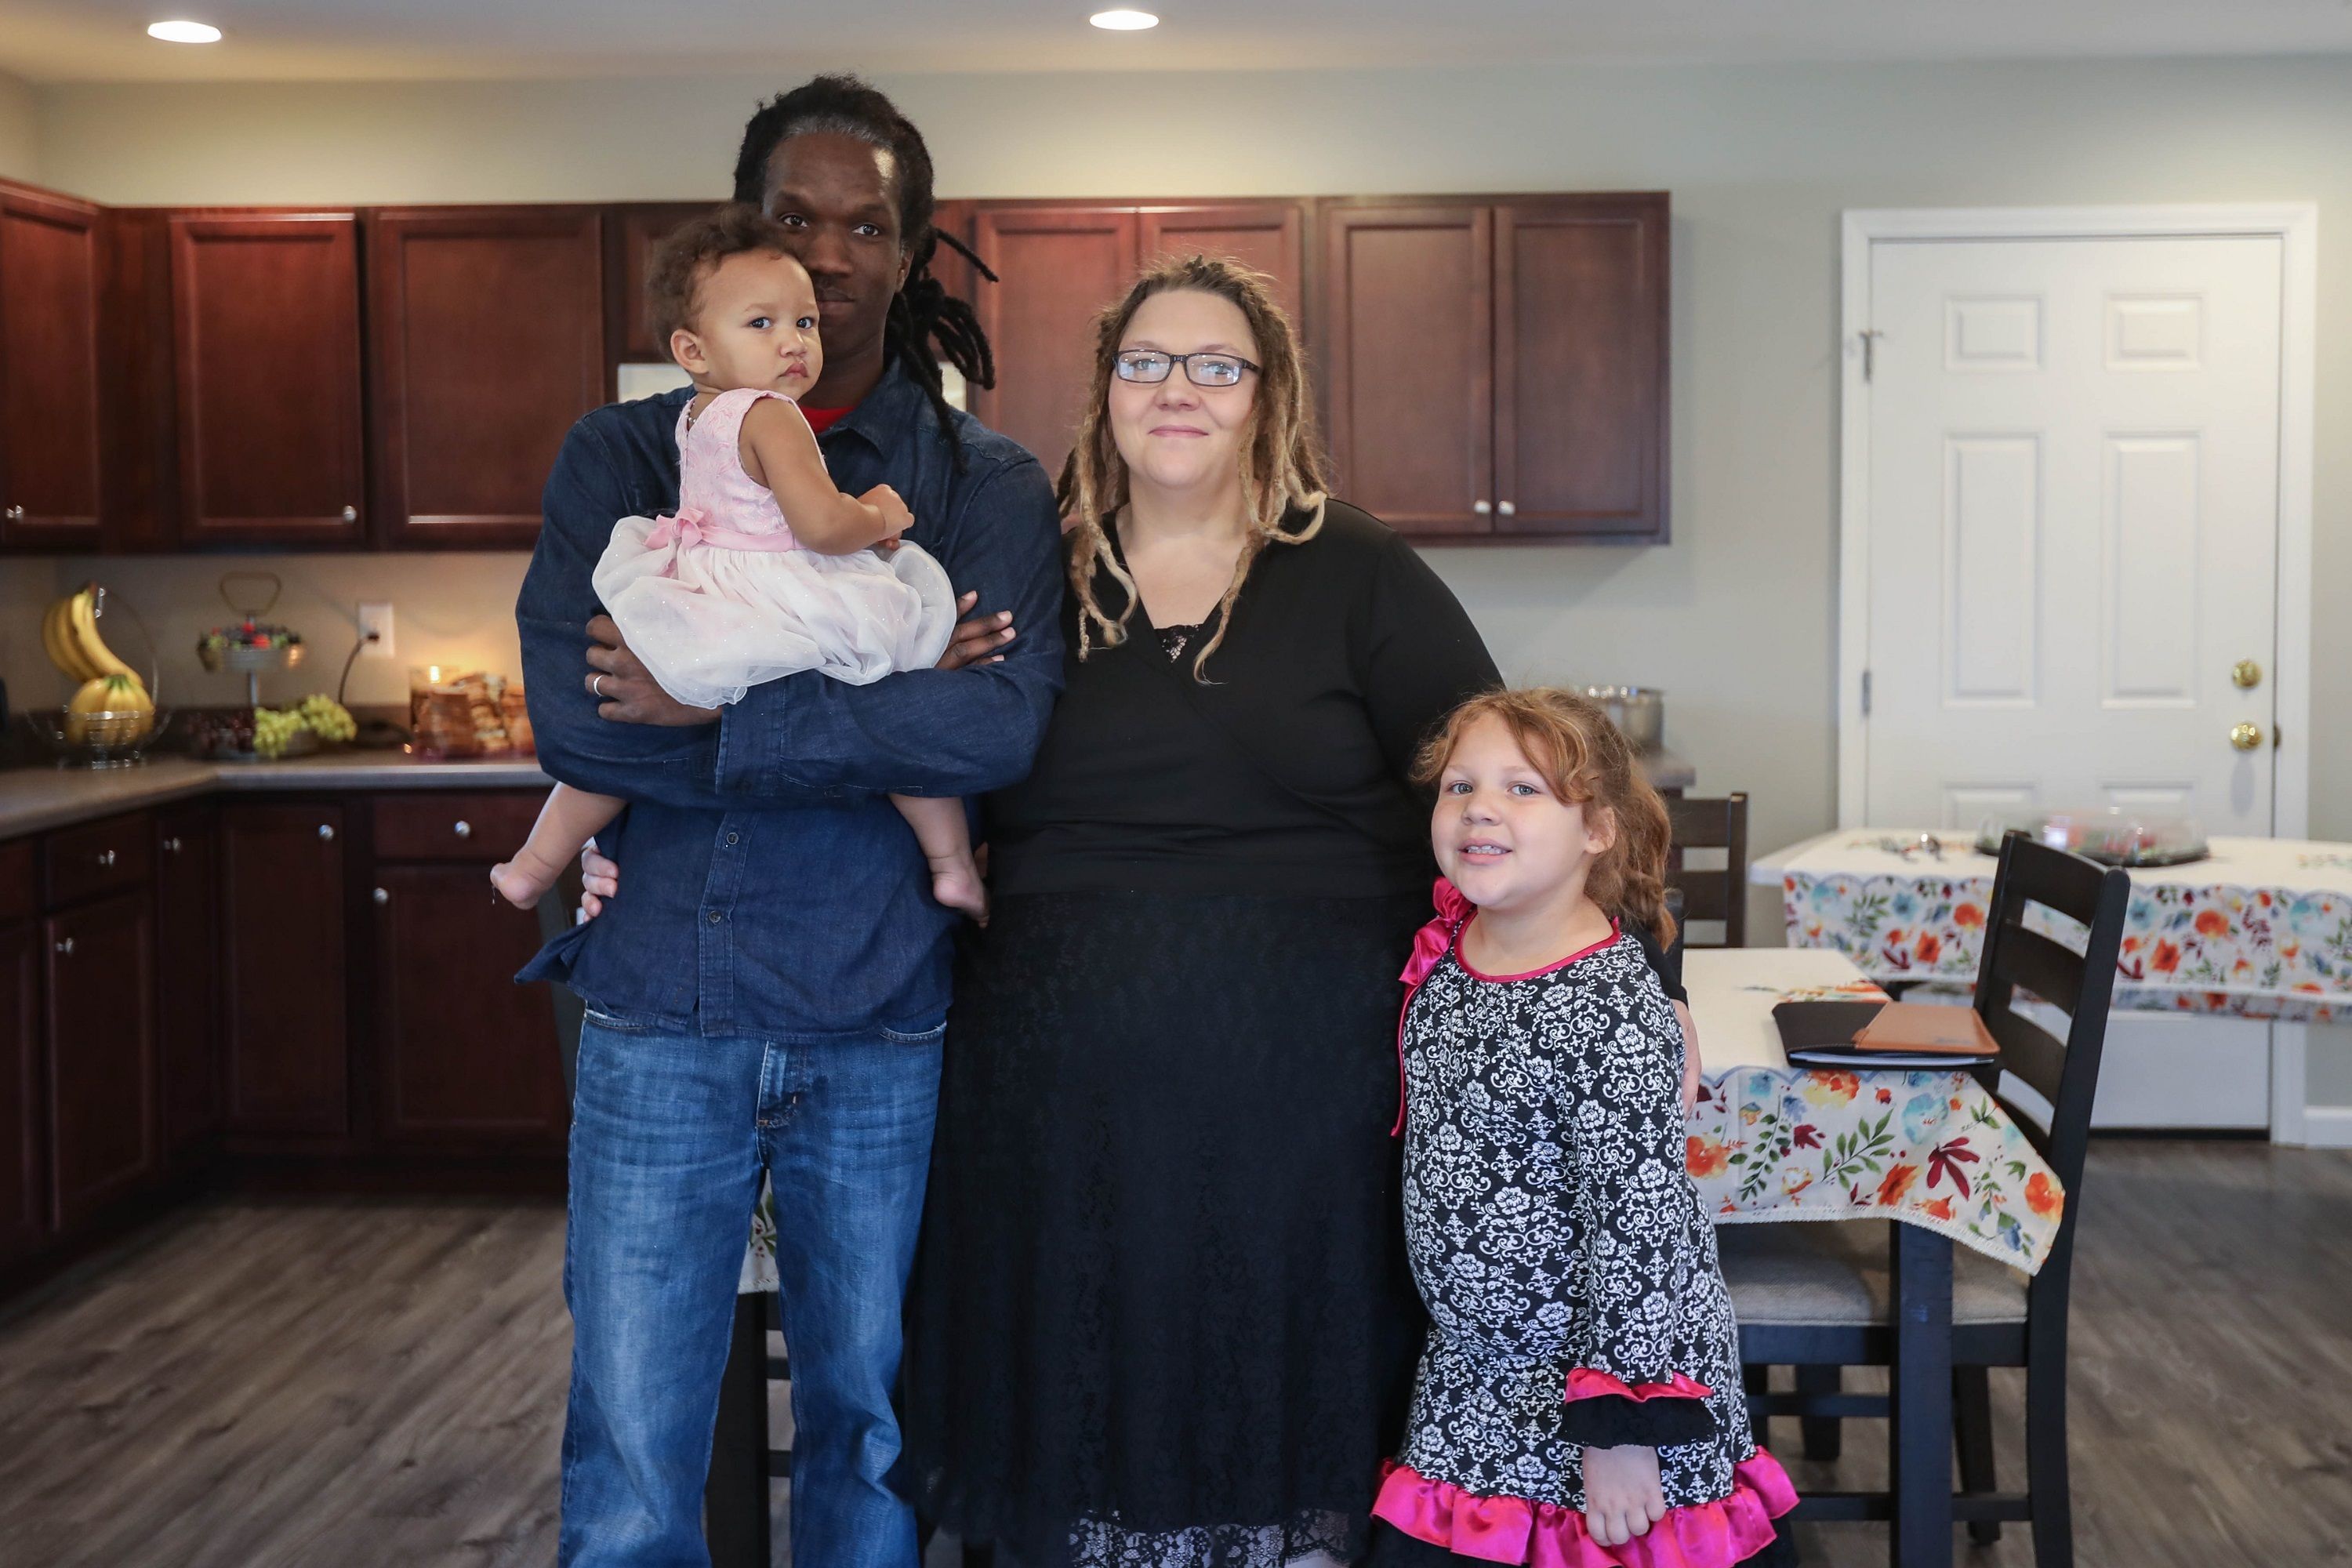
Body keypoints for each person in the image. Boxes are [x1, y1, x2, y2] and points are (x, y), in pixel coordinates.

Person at [887, 256, 1702, 1567]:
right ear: (1105, 391)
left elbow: (1524, 784)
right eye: (1146, 361)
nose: (1179, 390)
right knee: (1082, 1349)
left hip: (1309, 1096)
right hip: (1055, 1086)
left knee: (1272, 1350)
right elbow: (909, 743)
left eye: (1218, 365)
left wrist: (1650, 990)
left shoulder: (1356, 570)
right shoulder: (1023, 563)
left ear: (1269, 397)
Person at [514, 74, 1062, 1568]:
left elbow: (997, 731)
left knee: (872, 1430)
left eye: (866, 225)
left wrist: (709, 713)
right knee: (632, 1442)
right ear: (739, 238)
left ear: (913, 252)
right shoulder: (616, 460)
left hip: (879, 1017)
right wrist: (859, 719)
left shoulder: (978, 481)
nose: (826, 255)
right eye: (792, 220)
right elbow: (575, 723)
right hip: (652, 1019)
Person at [1367, 689, 1795, 1567]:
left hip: (1598, 1387)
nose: (1480, 806)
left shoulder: (1609, 1006)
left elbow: (1641, 1226)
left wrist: (1623, 1429)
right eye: (1460, 787)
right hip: (1475, 1371)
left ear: (1597, 828)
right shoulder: (1448, 959)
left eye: (1524, 789)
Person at [493, 205, 982, 921]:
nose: (793, 343)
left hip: (705, 589)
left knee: (623, 739)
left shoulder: (697, 414)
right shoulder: (773, 414)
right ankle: (953, 864)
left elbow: (759, 505)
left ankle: (534, 865)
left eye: (805, 323)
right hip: (775, 597)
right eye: (762, 324)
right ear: (692, 349)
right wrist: (880, 514)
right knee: (902, 699)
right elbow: (818, 527)